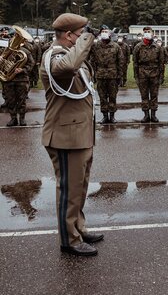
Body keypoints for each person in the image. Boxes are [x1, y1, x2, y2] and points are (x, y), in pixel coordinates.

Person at [40, 13, 103, 256]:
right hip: (65, 136)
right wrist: (86, 38)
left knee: (79, 187)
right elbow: (68, 67)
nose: (84, 39)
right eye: (79, 34)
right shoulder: (55, 57)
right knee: (69, 189)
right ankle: (69, 240)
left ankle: (78, 228)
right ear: (69, 35)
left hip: (79, 133)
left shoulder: (69, 55)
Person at [90, 25, 124, 124]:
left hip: (113, 75)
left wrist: (120, 76)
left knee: (112, 97)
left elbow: (120, 61)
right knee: (102, 97)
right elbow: (93, 61)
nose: (104, 33)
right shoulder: (96, 46)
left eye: (106, 31)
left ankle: (112, 116)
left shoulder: (116, 46)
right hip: (100, 75)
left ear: (110, 34)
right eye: (102, 31)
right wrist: (94, 74)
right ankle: (105, 116)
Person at [133, 26, 165, 123]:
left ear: (152, 33)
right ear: (143, 34)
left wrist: (161, 76)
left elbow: (161, 63)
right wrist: (136, 76)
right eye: (145, 31)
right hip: (142, 73)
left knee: (154, 95)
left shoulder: (158, 47)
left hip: (154, 73)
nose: (147, 33)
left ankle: (153, 115)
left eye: (149, 31)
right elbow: (135, 63)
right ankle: (146, 115)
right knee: (144, 95)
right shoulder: (138, 47)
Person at [3, 43, 34, 126]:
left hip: (22, 79)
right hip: (9, 79)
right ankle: (13, 119)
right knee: (10, 100)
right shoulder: (5, 51)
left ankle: (22, 119)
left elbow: (31, 64)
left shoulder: (25, 52)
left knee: (22, 100)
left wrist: (22, 69)